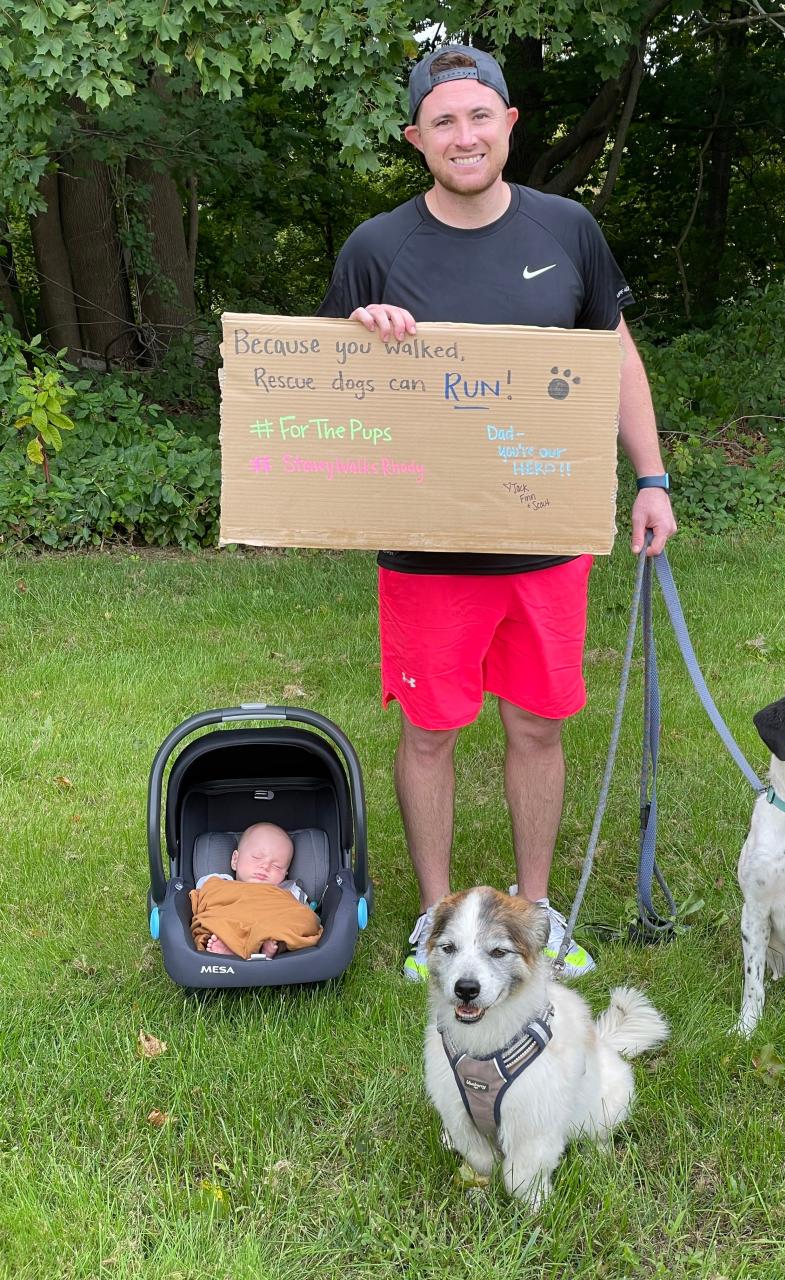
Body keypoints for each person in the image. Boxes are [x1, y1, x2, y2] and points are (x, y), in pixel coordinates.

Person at [316, 43, 677, 982]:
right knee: (430, 729)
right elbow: (329, 401)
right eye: (443, 122)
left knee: (537, 726)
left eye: (480, 117)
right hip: (427, 551)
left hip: (544, 540)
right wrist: (364, 344)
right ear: (416, 138)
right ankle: (439, 923)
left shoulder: (567, 230)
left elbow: (616, 355)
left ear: (510, 124)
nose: (464, 135)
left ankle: (534, 913)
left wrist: (651, 477)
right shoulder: (376, 249)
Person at [196, 822, 309, 958]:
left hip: (268, 926)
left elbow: (303, 917)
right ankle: (234, 945)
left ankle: (263, 947)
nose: (265, 866)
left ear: (286, 873)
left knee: (291, 926)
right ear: (235, 860)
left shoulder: (287, 891)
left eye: (277, 866)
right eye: (257, 857)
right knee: (219, 924)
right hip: (232, 925)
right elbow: (205, 896)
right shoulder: (220, 882)